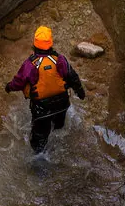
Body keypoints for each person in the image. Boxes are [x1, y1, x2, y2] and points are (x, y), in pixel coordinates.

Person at [5, 25, 85, 153]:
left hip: (42, 109)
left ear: (34, 44)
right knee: (59, 129)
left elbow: (19, 82)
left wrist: (8, 87)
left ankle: (38, 163)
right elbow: (72, 77)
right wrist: (80, 92)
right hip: (62, 104)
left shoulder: (30, 64)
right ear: (51, 43)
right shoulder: (59, 59)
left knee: (38, 142)